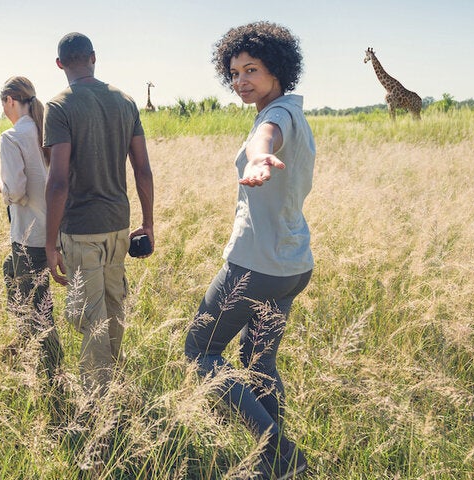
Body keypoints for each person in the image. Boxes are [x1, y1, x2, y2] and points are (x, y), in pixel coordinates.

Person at [183, 22, 314, 479]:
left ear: (277, 69)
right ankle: (276, 464)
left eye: (252, 70)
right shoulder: (290, 112)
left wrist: (259, 155)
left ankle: (278, 451)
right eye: (235, 72)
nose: (241, 80)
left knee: (200, 351)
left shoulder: (277, 116)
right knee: (259, 361)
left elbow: (267, 137)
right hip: (291, 264)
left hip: (255, 264)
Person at [43, 32, 154, 398]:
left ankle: (97, 399)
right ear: (93, 57)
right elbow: (142, 170)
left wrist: (49, 243)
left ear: (59, 63)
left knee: (89, 316)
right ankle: (112, 381)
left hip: (80, 229)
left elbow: (58, 181)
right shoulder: (125, 101)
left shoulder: (59, 106)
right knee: (112, 306)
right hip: (119, 226)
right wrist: (148, 223)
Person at [0, 76, 64, 380]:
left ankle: (54, 374)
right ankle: (22, 338)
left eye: (3, 104)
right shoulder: (47, 131)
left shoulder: (11, 137)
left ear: (10, 101)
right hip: (56, 231)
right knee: (10, 270)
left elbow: (17, 191)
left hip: (29, 235)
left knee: (39, 309)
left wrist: (0, 186)